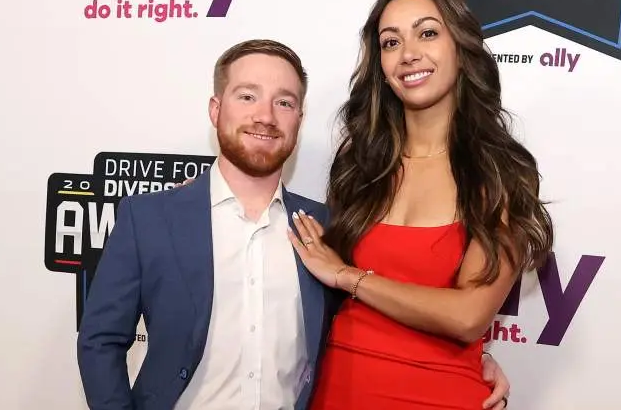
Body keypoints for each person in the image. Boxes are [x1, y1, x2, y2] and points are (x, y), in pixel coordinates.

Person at [76, 38, 510, 410]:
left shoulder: (328, 229)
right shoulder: (150, 219)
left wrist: (476, 359)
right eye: (247, 96)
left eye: (284, 102)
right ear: (215, 109)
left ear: (298, 120)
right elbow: (100, 342)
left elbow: (373, 315)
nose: (265, 116)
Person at [286, 0, 554, 410]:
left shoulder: (498, 175)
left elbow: (468, 316)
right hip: (339, 391)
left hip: (441, 396)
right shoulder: (361, 164)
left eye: (427, 33)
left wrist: (349, 277)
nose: (408, 53)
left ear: (460, 48)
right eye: (391, 42)